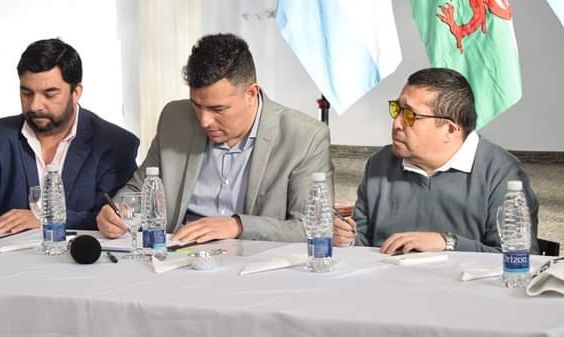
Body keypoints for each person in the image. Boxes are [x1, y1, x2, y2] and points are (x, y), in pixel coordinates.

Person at [97, 33, 333, 243]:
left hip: (254, 264)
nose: (204, 121)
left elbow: (311, 227)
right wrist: (117, 211)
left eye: (218, 109)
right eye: (196, 105)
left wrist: (238, 226)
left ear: (251, 94)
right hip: (174, 257)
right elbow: (138, 189)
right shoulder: (174, 118)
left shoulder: (305, 137)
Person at [0, 38, 138, 240]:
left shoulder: (114, 144)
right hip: (6, 257)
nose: (34, 106)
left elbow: (111, 217)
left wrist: (47, 219)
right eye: (27, 93)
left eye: (49, 94)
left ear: (76, 92)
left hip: (82, 256)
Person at [334, 68, 539, 254]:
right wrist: (346, 240)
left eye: (409, 115)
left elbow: (520, 257)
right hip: (387, 280)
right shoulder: (380, 163)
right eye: (397, 110)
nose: (396, 123)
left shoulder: (501, 172)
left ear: (450, 130)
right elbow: (362, 243)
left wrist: (447, 243)